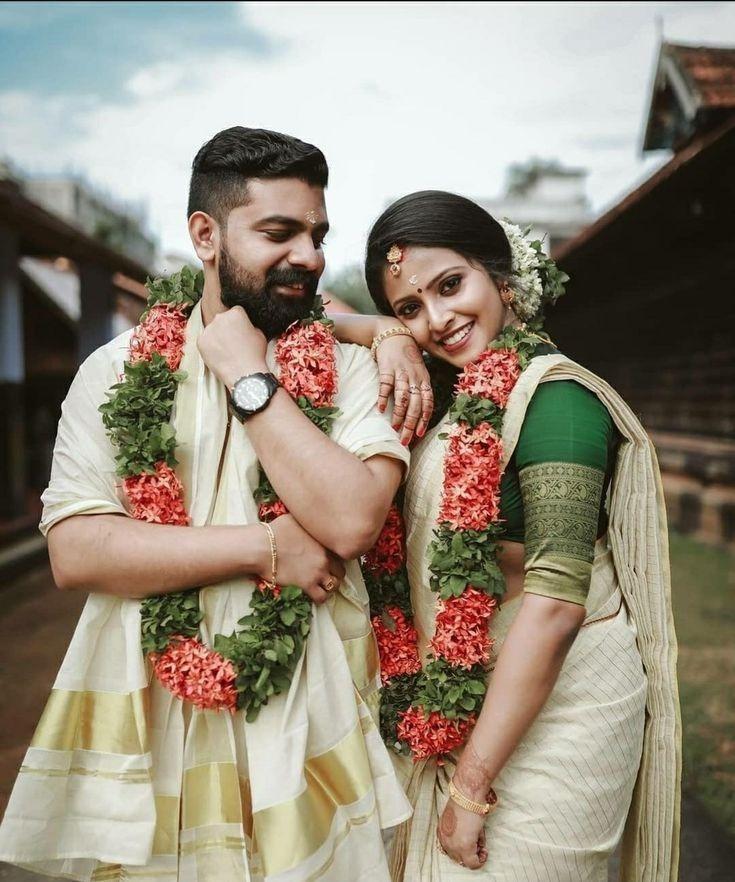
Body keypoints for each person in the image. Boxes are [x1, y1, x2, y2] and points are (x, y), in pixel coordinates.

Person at [0, 127, 414, 882]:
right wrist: (263, 549)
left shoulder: (353, 367)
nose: (310, 256)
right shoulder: (116, 370)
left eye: (318, 234)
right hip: (152, 717)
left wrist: (247, 379)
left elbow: (352, 519)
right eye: (279, 231)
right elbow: (77, 550)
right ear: (205, 235)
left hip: (304, 712)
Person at [330, 190, 681, 882]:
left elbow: (553, 608)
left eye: (451, 284)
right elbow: (308, 310)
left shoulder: (557, 400)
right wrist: (384, 335)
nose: (438, 319)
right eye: (410, 307)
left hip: (566, 708)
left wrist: (469, 784)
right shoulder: (449, 397)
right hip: (475, 702)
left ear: (499, 272)